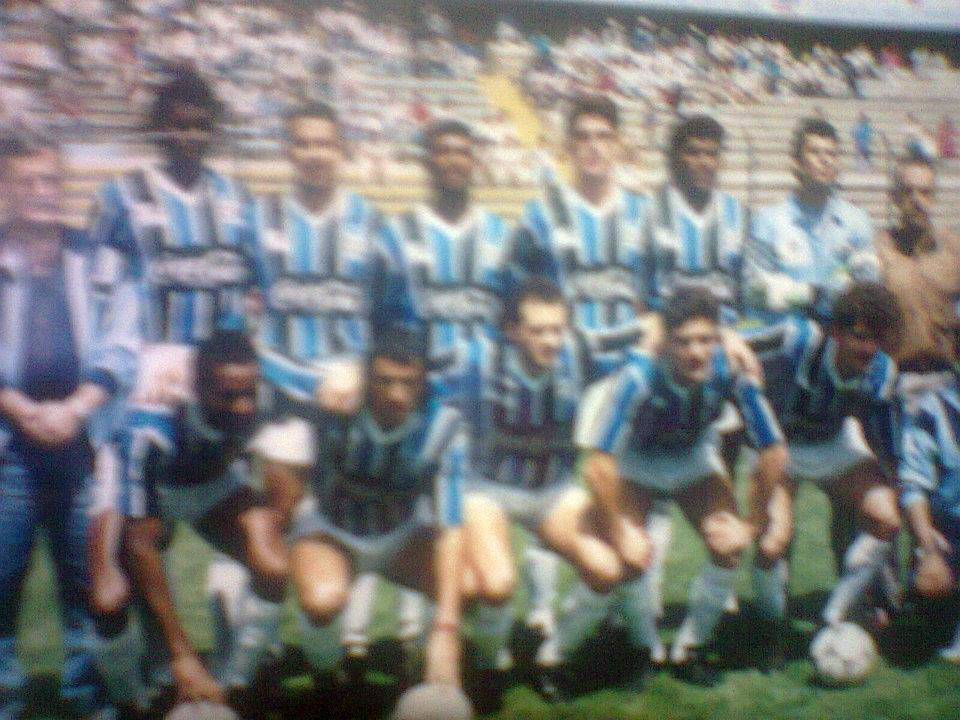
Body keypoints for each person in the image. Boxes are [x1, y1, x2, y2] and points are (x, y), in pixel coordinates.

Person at [86, 67, 271, 663]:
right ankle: (154, 663)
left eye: (200, 126)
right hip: (149, 397)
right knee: (141, 534)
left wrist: (242, 361)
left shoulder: (236, 202)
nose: (189, 136)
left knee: (237, 513)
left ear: (212, 129)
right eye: (178, 125)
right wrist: (124, 374)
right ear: (159, 127)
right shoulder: (121, 198)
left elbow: (259, 292)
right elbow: (99, 297)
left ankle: (230, 646)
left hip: (217, 399)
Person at [250, 101, 421, 662]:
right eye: (303, 143)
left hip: (353, 407)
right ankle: (257, 654)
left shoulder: (373, 225)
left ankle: (349, 646)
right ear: (288, 150)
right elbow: (235, 318)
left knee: (354, 518)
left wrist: (364, 369)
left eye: (324, 143)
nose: (314, 154)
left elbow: (399, 322)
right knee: (275, 526)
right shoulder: (259, 221)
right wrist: (298, 377)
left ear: (342, 150)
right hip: (284, 404)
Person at [568, 288, 788, 684]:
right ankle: (644, 649)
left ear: (718, 338)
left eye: (705, 340)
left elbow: (773, 450)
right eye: (684, 342)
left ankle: (691, 646)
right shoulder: (639, 375)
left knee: (728, 544)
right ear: (666, 342)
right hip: (638, 460)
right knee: (631, 554)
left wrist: (752, 525)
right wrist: (619, 531)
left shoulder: (729, 370)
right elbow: (598, 463)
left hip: (691, 455)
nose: (696, 352)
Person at [0, 133, 138, 720]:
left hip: (84, 447)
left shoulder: (99, 258)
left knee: (86, 586)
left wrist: (77, 408)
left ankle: (88, 697)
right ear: (4, 187)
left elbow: (123, 343)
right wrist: (20, 408)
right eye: (26, 181)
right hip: (9, 448)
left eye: (51, 180)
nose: (41, 192)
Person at [93, 330, 288, 716]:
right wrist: (183, 654)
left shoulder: (267, 398)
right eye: (228, 395)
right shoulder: (151, 429)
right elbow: (141, 545)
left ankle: (235, 684)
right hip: (145, 488)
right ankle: (133, 701)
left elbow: (325, 391)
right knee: (109, 597)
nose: (243, 406)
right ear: (196, 387)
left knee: (273, 563)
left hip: (211, 484)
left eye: (249, 392)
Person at [266, 327, 468, 695]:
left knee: (463, 586)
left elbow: (451, 526)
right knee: (321, 600)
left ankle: (425, 670)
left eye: (408, 383)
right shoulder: (338, 396)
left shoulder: (445, 424)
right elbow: (268, 364)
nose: (396, 395)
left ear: (424, 382)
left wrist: (447, 629)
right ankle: (327, 674)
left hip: (403, 533)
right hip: (332, 529)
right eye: (384, 381)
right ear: (365, 376)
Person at [443, 278, 602, 694]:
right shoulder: (477, 359)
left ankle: (554, 656)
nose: (551, 341)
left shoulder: (579, 353)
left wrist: (726, 338)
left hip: (554, 491)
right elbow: (419, 378)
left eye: (558, 329)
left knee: (606, 568)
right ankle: (488, 664)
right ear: (512, 330)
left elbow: (645, 346)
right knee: (496, 584)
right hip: (489, 489)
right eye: (538, 330)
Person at [744, 283, 903, 651]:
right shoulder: (797, 339)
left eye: (877, 338)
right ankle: (771, 629)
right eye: (860, 336)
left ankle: (833, 616)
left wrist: (897, 487)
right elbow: (733, 343)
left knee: (885, 517)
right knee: (772, 541)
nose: (869, 348)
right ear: (835, 331)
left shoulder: (882, 372)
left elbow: (886, 445)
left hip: (833, 443)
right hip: (779, 447)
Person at [509, 94, 652, 375]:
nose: (594, 147)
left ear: (618, 145)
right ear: (568, 146)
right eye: (583, 137)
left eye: (603, 137)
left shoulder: (644, 212)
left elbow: (658, 292)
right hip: (562, 364)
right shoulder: (540, 214)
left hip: (630, 362)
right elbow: (517, 289)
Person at [376, 119, 511, 363]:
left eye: (462, 152)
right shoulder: (396, 234)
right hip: (421, 378)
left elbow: (512, 315)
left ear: (474, 162)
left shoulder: (501, 234)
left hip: (486, 378)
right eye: (443, 152)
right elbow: (381, 316)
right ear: (427, 162)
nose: (453, 161)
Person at [745, 117, 878, 323]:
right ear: (797, 163)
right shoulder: (768, 222)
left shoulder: (857, 221)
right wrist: (815, 294)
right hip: (789, 336)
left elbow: (868, 287)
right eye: (815, 152)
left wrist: (790, 291)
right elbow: (755, 291)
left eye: (831, 154)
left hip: (839, 336)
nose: (825, 160)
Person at [876, 154, 960, 383]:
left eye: (925, 192)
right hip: (894, 379)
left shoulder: (953, 250)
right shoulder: (878, 251)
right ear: (894, 197)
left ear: (934, 197)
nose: (917, 200)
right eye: (907, 192)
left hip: (946, 378)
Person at [899, 358, 960, 661]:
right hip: (949, 530)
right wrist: (928, 547)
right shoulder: (931, 409)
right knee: (929, 585)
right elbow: (913, 485)